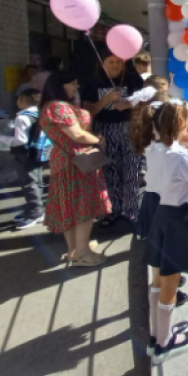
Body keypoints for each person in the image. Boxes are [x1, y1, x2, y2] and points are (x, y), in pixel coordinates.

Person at [144, 102, 188, 364]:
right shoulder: (183, 157)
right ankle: (163, 343)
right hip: (180, 218)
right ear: (182, 126)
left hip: (161, 214)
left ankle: (157, 335)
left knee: (159, 278)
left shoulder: (153, 149)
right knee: (170, 281)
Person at [40, 70, 111, 266]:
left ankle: (74, 249)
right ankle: (82, 253)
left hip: (65, 160)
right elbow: (77, 135)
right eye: (73, 83)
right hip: (76, 161)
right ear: (60, 85)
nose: (76, 87)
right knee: (83, 205)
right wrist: (98, 140)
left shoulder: (52, 106)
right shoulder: (59, 107)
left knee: (70, 205)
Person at [82, 49, 144, 227]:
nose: (116, 65)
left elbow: (146, 101)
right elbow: (88, 111)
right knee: (109, 170)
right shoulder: (93, 83)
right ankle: (110, 211)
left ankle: (131, 211)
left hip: (129, 128)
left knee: (130, 169)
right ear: (103, 64)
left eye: (119, 62)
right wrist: (106, 100)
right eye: (111, 62)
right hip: (104, 130)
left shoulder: (133, 80)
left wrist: (127, 104)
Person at [0, 88, 50, 230]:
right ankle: (38, 209)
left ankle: (35, 213)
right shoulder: (41, 113)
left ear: (21, 101)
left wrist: (0, 138)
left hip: (25, 155)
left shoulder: (22, 118)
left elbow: (20, 141)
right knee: (38, 181)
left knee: (29, 183)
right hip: (40, 152)